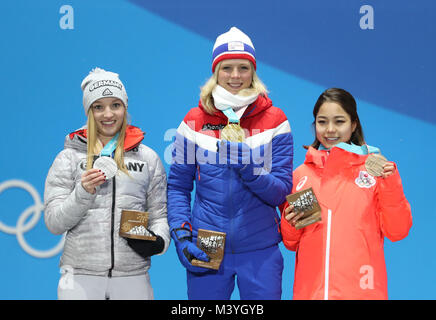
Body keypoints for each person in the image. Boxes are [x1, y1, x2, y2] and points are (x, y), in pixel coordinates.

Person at [167, 27, 293, 300]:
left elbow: (281, 191)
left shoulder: (275, 121)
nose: (235, 76)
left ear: (253, 71)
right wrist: (181, 234)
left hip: (260, 250)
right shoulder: (194, 120)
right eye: (227, 68)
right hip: (208, 247)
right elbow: (177, 186)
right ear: (216, 71)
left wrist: (250, 170)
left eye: (243, 68)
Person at [44, 68, 170, 300]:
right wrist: (82, 192)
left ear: (125, 107)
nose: (108, 114)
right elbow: (54, 223)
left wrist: (158, 242)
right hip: (79, 277)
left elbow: (160, 216)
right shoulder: (69, 158)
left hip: (133, 276)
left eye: (115, 105)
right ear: (89, 111)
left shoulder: (148, 158)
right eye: (98, 107)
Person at [280, 88, 412, 300]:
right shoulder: (301, 175)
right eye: (322, 122)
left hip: (362, 291)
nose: (330, 129)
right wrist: (289, 223)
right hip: (311, 293)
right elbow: (291, 243)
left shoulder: (375, 172)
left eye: (339, 121)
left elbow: (398, 231)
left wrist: (391, 182)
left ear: (354, 124)